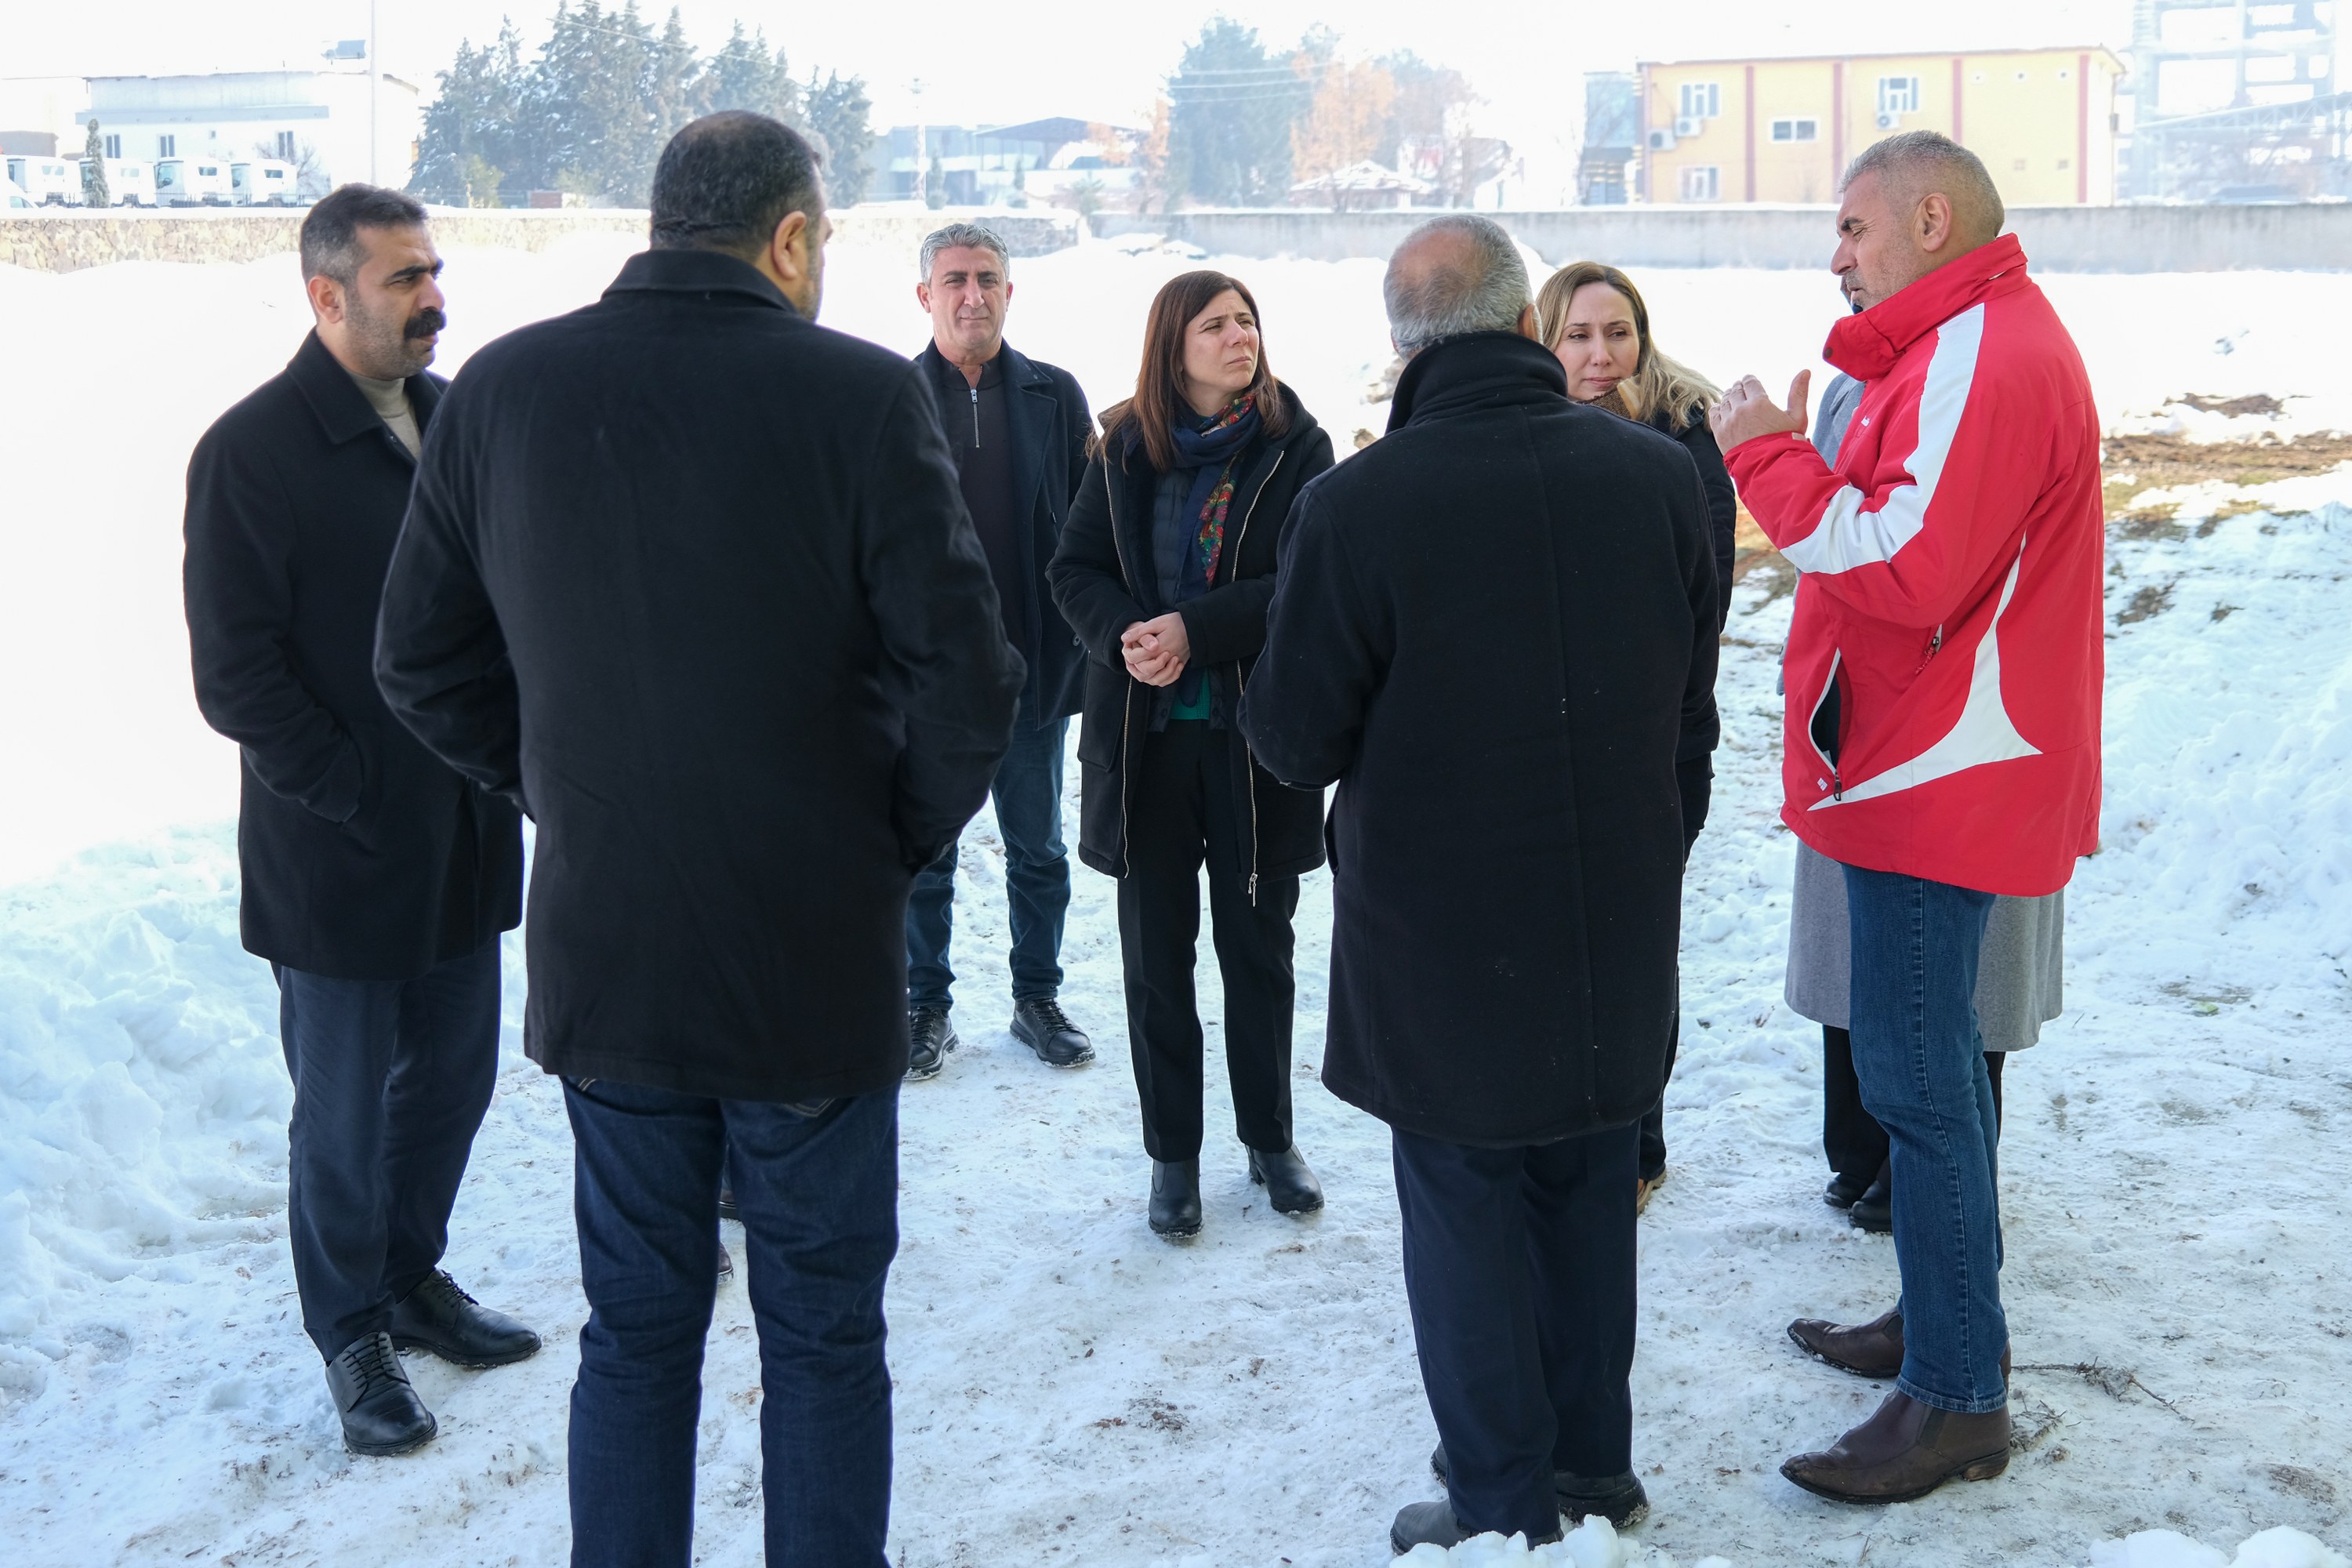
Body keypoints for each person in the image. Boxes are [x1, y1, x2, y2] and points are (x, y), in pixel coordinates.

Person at [374, 114, 1021, 1566]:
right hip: (809, 957)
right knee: (824, 1339)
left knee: (637, 1333)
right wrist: (879, 842)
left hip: (614, 950)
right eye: (824, 240)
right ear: (788, 238)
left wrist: (566, 793)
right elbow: (970, 683)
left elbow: (418, 660)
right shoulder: (858, 394)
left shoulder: (504, 389)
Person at [1241, 215, 1719, 1555]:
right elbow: (1691, 699)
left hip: (1440, 938)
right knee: (1588, 1192)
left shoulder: (1360, 503)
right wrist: (1654, 843)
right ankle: (1593, 1470)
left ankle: (1507, 1505)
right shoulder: (1656, 476)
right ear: (1525, 327)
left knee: (1465, 1213)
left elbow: (1294, 737)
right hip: (1612, 914)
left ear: (1404, 349)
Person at [1710, 130, 2103, 1504]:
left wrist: (1764, 457)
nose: (1837, 255)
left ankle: (1955, 1398)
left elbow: (1900, 560)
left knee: (1920, 1087)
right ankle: (1945, 1324)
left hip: (1936, 775)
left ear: (1931, 221)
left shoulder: (1984, 349)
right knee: (1927, 1081)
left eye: (1853, 228)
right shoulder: (1954, 343)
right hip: (1923, 765)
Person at [183, 183, 535, 1460]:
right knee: (341, 1118)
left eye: (434, 270)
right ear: (327, 295)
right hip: (336, 854)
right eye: (404, 278)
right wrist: (357, 794)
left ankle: (406, 1275)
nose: (434, 297)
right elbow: (238, 676)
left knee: (454, 1079)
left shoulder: (454, 419)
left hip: (466, 829)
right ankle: (350, 1332)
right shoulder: (252, 451)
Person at [1047, 270, 1334, 1240]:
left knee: (1259, 952)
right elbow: (1074, 568)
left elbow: (1304, 580)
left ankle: (1271, 1140)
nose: (1238, 336)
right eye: (1215, 325)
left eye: (1247, 320)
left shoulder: (1298, 445)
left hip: (1255, 745)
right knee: (1155, 959)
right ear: (1173, 345)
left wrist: (1194, 630)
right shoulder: (1124, 445)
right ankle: (1173, 1155)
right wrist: (1126, 634)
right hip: (1146, 747)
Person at [1789, 361, 2065, 1235]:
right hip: (1866, 708)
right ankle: (1865, 1148)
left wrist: (1771, 462)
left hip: (1966, 711)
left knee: (1954, 978)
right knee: (1864, 952)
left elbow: (1907, 555)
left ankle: (1939, 1185)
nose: (1850, 284)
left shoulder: (1989, 375)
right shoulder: (1856, 385)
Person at [1534, 260, 1734, 1210]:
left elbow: (1703, 606)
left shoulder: (1683, 437)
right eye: (1578, 335)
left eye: (1618, 333)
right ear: (1544, 341)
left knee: (1637, 949)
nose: (1601, 354)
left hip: (1658, 747)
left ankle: (1639, 1144)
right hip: (1547, 749)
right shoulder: (1526, 434)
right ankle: (1565, 1126)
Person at [903, 221, 1098, 1078]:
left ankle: (1036, 998)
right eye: (955, 280)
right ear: (926, 295)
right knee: (925, 855)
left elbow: (1092, 524)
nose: (972, 295)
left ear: (1009, 292)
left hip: (1032, 668)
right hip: (927, 680)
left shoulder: (1056, 394)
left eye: (986, 278)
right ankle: (925, 1006)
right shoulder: (892, 397)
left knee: (1038, 849)